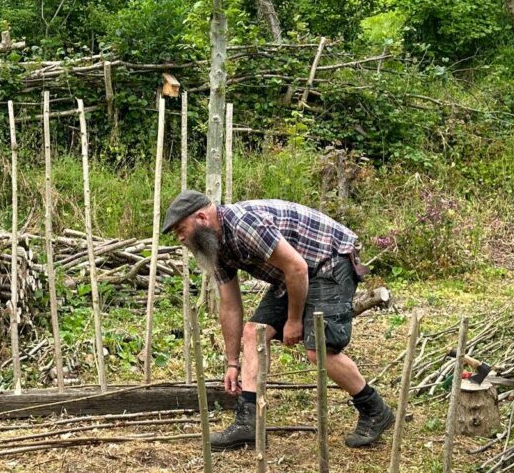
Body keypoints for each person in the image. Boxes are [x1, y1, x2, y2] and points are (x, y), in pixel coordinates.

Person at [162, 190, 394, 450]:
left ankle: (374, 409)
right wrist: (232, 363)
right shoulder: (213, 245)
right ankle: (248, 423)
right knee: (253, 332)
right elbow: (229, 304)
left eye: (181, 229)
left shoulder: (244, 225)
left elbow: (297, 267)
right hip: (295, 272)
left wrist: (294, 320)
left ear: (202, 217)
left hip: (329, 260)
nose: (181, 238)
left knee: (319, 350)